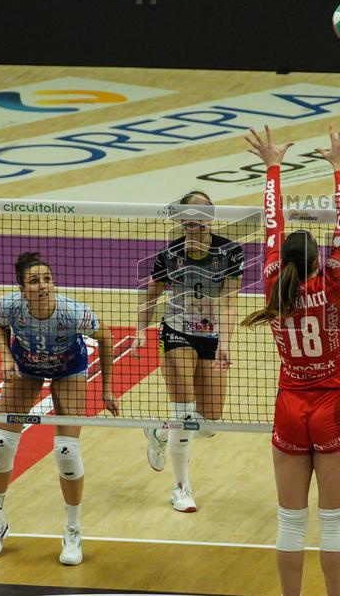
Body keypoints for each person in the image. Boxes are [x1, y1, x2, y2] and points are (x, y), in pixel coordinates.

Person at [241, 124, 340, 596]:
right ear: (318, 261)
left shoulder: (273, 282)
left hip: (290, 406)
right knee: (334, 525)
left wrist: (273, 166)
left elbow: (271, 226)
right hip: (332, 405)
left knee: (290, 523)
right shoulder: (332, 282)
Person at [0, 252, 118, 566]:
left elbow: (106, 338)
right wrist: (5, 355)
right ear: (22, 288)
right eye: (34, 281)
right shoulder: (9, 306)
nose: (43, 286)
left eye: (47, 279)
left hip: (69, 369)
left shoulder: (73, 312)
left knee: (66, 451)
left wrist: (107, 387)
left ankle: (73, 530)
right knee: (1, 445)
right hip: (27, 367)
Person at [133, 190, 244, 513]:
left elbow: (230, 300)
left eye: (205, 213)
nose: (201, 220)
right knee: (183, 413)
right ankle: (180, 487)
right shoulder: (169, 255)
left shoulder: (230, 252)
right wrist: (141, 330)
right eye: (193, 214)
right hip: (177, 331)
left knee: (209, 423)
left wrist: (225, 342)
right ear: (184, 220)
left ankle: (157, 431)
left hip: (210, 337)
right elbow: (151, 296)